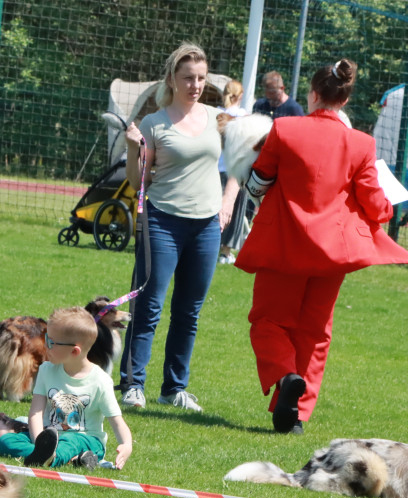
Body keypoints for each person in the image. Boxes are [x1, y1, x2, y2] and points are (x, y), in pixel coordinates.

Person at [236, 59, 408, 434]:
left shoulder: (284, 128)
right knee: (316, 333)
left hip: (283, 247)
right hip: (332, 256)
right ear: (344, 100)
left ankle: (285, 377)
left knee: (267, 322)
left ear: (313, 94)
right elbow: (375, 204)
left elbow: (260, 181)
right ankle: (296, 414)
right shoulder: (362, 143)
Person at [119, 43, 232, 413]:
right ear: (172, 79)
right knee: (149, 306)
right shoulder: (154, 123)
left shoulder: (218, 118)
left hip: (206, 228)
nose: (195, 84)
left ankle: (173, 388)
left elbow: (239, 166)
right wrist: (133, 148)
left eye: (201, 78)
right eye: (188, 78)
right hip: (162, 222)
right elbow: (138, 182)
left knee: (189, 312)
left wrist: (227, 203)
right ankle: (133, 384)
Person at [19, 307, 133, 469]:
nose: (46, 346)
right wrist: (38, 441)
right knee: (8, 440)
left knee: (72, 441)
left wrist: (126, 445)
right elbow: (35, 413)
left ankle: (52, 457)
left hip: (87, 440)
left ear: (74, 351)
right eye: (46, 338)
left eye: (51, 342)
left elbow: (117, 422)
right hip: (50, 436)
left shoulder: (101, 381)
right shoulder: (45, 370)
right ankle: (71, 459)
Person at [218, 78, 249, 265]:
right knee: (235, 212)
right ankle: (226, 251)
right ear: (241, 96)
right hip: (236, 171)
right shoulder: (244, 117)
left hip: (215, 169)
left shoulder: (217, 114)